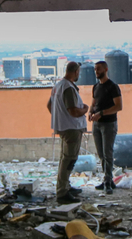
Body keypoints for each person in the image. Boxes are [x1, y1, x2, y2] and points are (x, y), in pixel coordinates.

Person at [47, 61, 89, 203]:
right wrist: (85, 109)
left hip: (64, 127)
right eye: (79, 72)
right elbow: (73, 111)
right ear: (76, 72)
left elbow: (49, 105)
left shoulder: (58, 86)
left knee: (64, 158)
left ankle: (66, 186)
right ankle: (62, 193)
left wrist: (59, 117)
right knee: (69, 160)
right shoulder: (68, 88)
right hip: (71, 128)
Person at [89, 60, 123, 194]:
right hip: (96, 124)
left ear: (106, 69)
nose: (96, 71)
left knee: (107, 153)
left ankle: (108, 180)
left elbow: (118, 106)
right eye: (95, 69)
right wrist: (91, 112)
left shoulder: (113, 87)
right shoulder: (96, 87)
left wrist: (101, 113)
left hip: (109, 124)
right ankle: (107, 179)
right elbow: (94, 102)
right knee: (101, 154)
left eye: (99, 69)